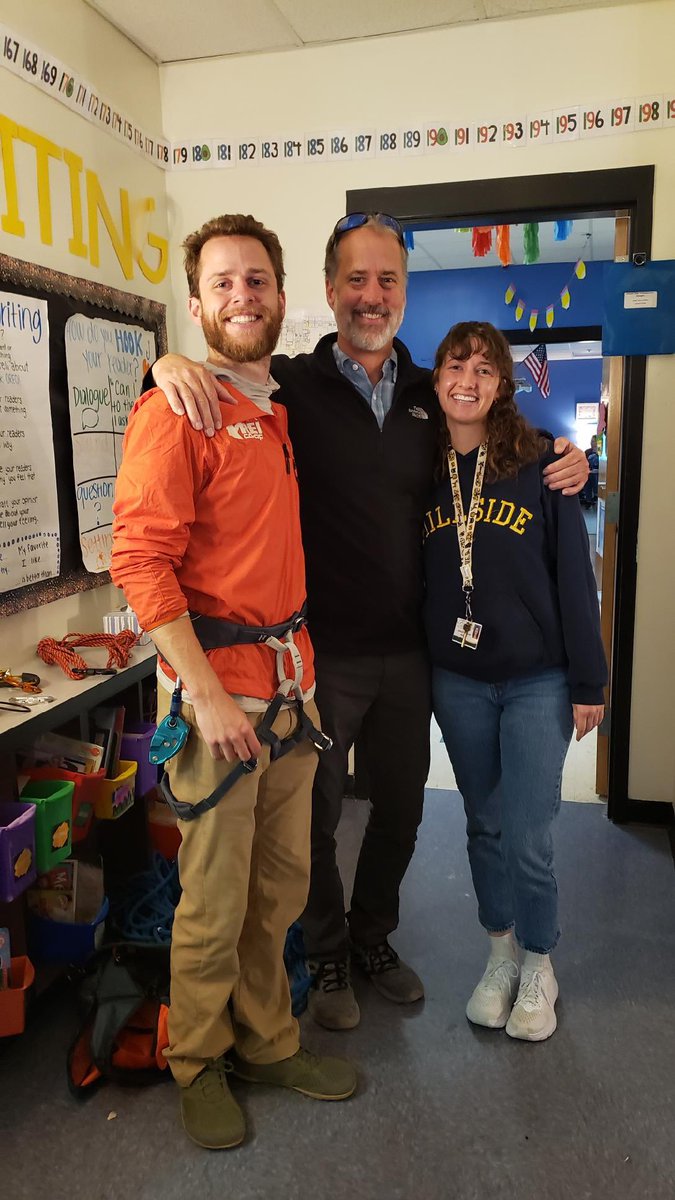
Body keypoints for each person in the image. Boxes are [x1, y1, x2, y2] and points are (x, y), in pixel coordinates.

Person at [146, 213, 590, 1033]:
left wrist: (571, 456)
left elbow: (499, 429)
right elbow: (212, 374)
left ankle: (372, 937)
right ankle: (324, 955)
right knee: (314, 814)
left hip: (412, 650)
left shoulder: (430, 392)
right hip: (316, 654)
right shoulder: (289, 387)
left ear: (403, 292)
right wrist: (162, 361)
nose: (371, 295)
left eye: (387, 280)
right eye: (356, 279)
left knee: (402, 807)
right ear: (327, 291)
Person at [110, 213, 356, 1152]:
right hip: (225, 704)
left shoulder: (273, 404)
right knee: (211, 900)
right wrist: (204, 692)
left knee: (278, 889)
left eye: (256, 280)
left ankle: (267, 1040)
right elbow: (138, 559)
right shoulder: (178, 409)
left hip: (295, 694)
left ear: (282, 297)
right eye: (222, 283)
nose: (242, 296)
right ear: (198, 303)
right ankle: (198, 1061)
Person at [425, 321, 606, 1041]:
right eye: (454, 365)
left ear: (502, 385)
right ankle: (498, 952)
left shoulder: (541, 463)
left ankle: (539, 961)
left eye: (484, 369)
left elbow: (574, 577)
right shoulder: (418, 465)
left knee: (528, 834)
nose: (467, 380)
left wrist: (588, 683)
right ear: (434, 378)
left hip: (537, 680)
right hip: (458, 679)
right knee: (483, 825)